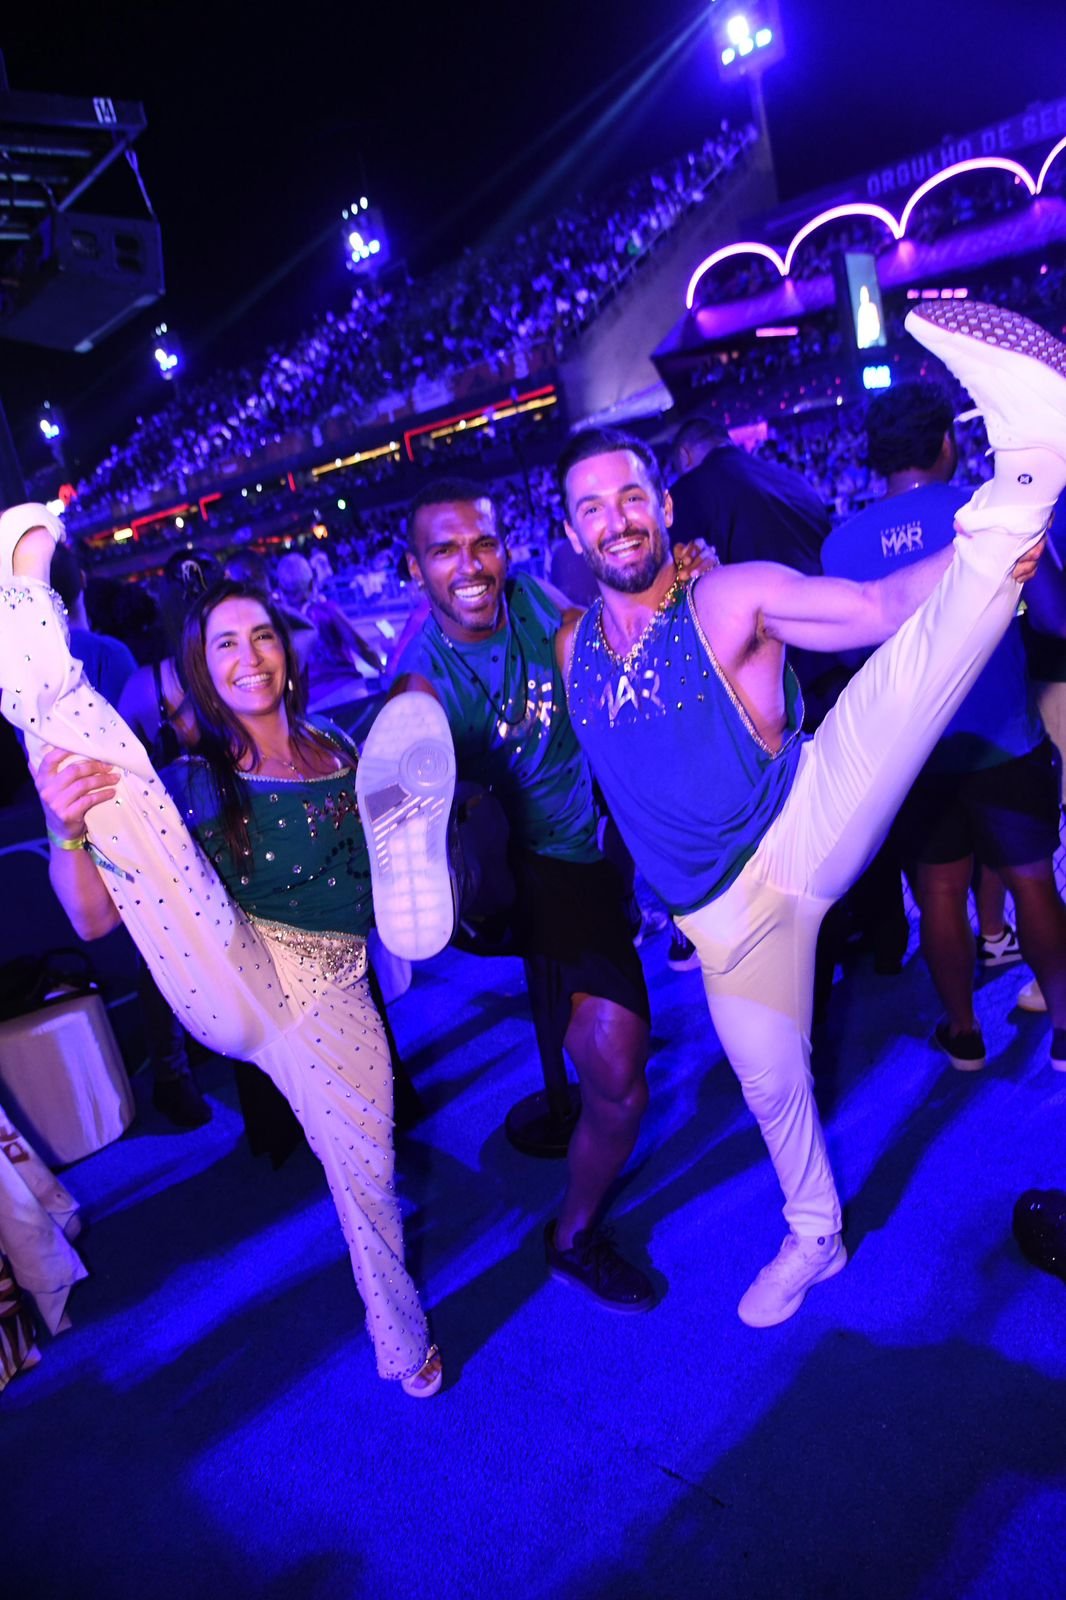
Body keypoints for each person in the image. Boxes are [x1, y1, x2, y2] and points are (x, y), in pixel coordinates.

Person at [556, 300, 1060, 1328]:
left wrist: (979, 562)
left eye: (630, 493)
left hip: (797, 832)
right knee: (772, 1090)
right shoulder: (569, 649)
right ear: (569, 533)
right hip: (718, 928)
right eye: (591, 504)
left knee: (898, 692)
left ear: (660, 503)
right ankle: (815, 1238)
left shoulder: (727, 595)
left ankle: (1026, 479)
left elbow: (875, 613)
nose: (615, 515)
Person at [0, 514, 442, 1397]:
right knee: (123, 793)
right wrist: (64, 828)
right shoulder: (200, 782)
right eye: (223, 644)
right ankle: (25, 622)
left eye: (263, 636)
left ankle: (402, 1340)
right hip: (231, 969)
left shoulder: (343, 751)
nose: (248, 656)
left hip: (335, 991)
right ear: (201, 669)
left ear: (287, 650)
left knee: (372, 1183)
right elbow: (90, 921)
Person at [390, 478, 658, 1312]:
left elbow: (600, 636)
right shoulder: (421, 675)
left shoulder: (533, 601)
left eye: (482, 544)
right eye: (444, 550)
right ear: (415, 568)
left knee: (611, 1067)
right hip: (525, 876)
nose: (469, 565)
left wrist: (674, 585)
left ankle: (573, 1201)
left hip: (597, 851)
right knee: (619, 1075)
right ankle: (573, 1237)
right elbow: (409, 738)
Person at [821, 379, 1066, 1071]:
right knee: (1032, 883)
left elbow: (846, 652)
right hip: (1002, 739)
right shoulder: (990, 512)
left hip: (911, 755)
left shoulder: (841, 546)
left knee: (936, 897)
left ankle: (962, 1033)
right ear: (946, 443)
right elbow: (1054, 617)